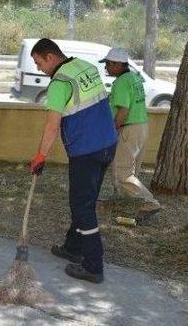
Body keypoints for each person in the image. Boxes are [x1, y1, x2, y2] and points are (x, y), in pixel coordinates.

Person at [29, 38, 117, 284]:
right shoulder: (85, 66)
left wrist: (40, 156)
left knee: (83, 207)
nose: (39, 69)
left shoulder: (59, 83)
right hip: (108, 142)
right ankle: (73, 247)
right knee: (84, 201)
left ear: (50, 57)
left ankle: (93, 266)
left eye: (39, 63)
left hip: (87, 150)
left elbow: (52, 125)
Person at [100, 48, 161, 222]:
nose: (106, 68)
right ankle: (120, 200)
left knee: (123, 172)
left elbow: (123, 110)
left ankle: (151, 203)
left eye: (108, 64)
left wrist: (113, 129)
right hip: (141, 126)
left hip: (129, 128)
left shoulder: (121, 82)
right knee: (126, 167)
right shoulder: (134, 78)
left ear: (118, 64)